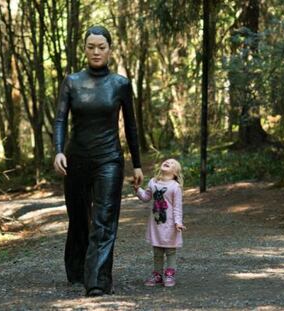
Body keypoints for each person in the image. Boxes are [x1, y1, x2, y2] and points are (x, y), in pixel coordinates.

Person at [53, 25, 143, 297]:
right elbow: (60, 119)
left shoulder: (120, 84)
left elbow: (131, 126)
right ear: (85, 49)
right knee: (79, 218)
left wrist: (136, 164)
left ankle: (98, 281)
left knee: (104, 220)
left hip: (109, 161)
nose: (96, 52)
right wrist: (58, 151)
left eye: (101, 47)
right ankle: (78, 269)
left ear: (110, 50)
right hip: (76, 160)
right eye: (91, 47)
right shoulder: (72, 81)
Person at [134, 158, 186, 287]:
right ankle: (157, 275)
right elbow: (146, 197)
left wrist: (178, 222)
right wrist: (137, 189)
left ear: (175, 173)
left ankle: (169, 273)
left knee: (170, 251)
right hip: (156, 224)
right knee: (157, 250)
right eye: (167, 161)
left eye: (173, 163)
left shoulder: (175, 187)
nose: (168, 162)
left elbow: (177, 207)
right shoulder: (153, 182)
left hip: (170, 225)